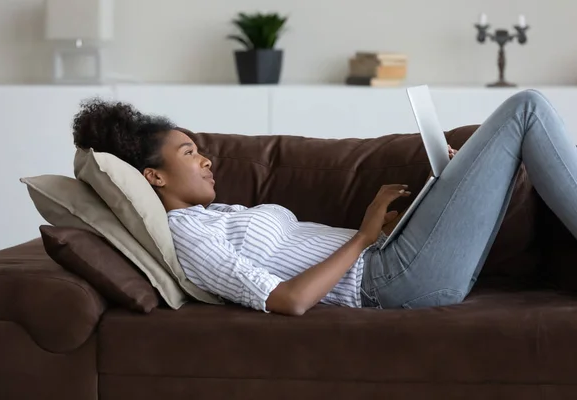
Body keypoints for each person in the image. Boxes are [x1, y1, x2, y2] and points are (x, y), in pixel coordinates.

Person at [72, 89, 577, 316]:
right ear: (153, 176)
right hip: (391, 282)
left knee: (501, 138)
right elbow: (288, 302)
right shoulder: (188, 236)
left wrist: (442, 192)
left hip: (395, 259)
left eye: (201, 150)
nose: (207, 160)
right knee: (525, 108)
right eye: (189, 152)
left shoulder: (218, 215)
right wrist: (362, 236)